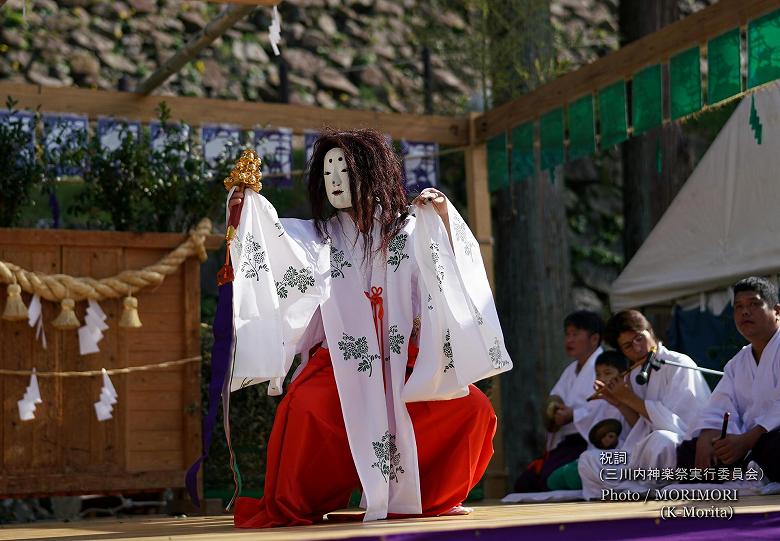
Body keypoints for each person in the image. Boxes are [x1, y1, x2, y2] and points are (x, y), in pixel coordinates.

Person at [222, 129, 511, 528]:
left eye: (344, 168)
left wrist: (442, 218)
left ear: (371, 172)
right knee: (303, 407)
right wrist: (247, 212)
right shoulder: (319, 236)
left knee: (471, 409)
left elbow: (447, 268)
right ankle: (299, 504)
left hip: (404, 360)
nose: (336, 180)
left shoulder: (409, 226)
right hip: (342, 360)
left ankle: (430, 497)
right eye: (328, 172)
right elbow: (276, 243)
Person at [578, 310, 711, 499]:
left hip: (677, 449)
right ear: (622, 352)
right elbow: (641, 426)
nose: (637, 348)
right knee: (588, 460)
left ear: (650, 331)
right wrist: (620, 402)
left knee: (661, 440)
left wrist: (630, 398)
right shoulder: (634, 374)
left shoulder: (678, 363)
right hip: (642, 454)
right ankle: (634, 489)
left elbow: (678, 426)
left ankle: (636, 488)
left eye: (639, 338)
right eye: (628, 346)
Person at [677, 277, 780, 482]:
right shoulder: (737, 363)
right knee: (691, 449)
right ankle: (744, 472)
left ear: (777, 311)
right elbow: (719, 405)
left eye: (754, 304)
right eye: (738, 307)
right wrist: (708, 437)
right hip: (747, 446)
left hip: (767, 440)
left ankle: (747, 473)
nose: (744, 312)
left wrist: (747, 440)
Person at [513, 310, 604, 493]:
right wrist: (553, 412)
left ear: (594, 339)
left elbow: (608, 406)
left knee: (548, 477)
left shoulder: (605, 366)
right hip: (567, 441)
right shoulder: (571, 370)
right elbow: (556, 399)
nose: (569, 340)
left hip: (589, 442)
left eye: (575, 334)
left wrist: (573, 414)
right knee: (526, 481)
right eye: (567, 334)